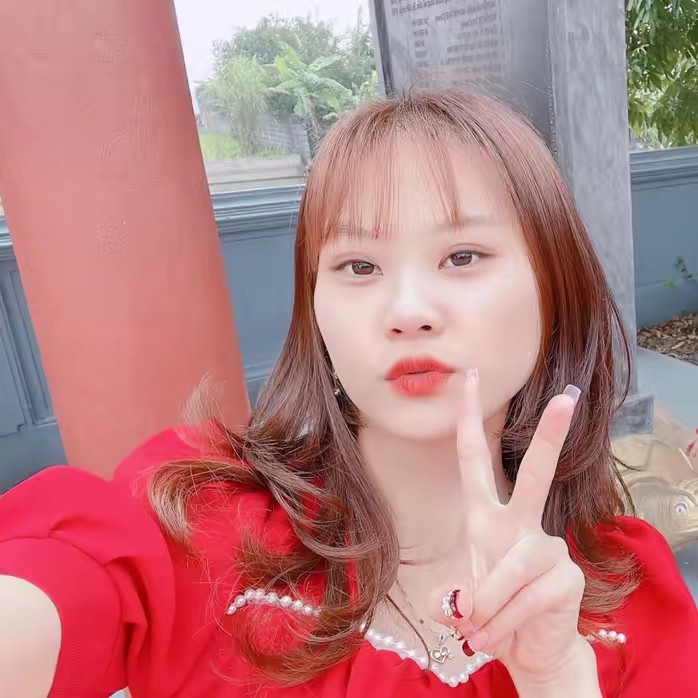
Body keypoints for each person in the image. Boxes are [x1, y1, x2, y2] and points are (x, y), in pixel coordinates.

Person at [0, 89, 696, 698]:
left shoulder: (632, 601)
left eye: (462, 257)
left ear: (554, 290)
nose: (407, 310)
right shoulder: (199, 527)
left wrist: (557, 677)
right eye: (359, 265)